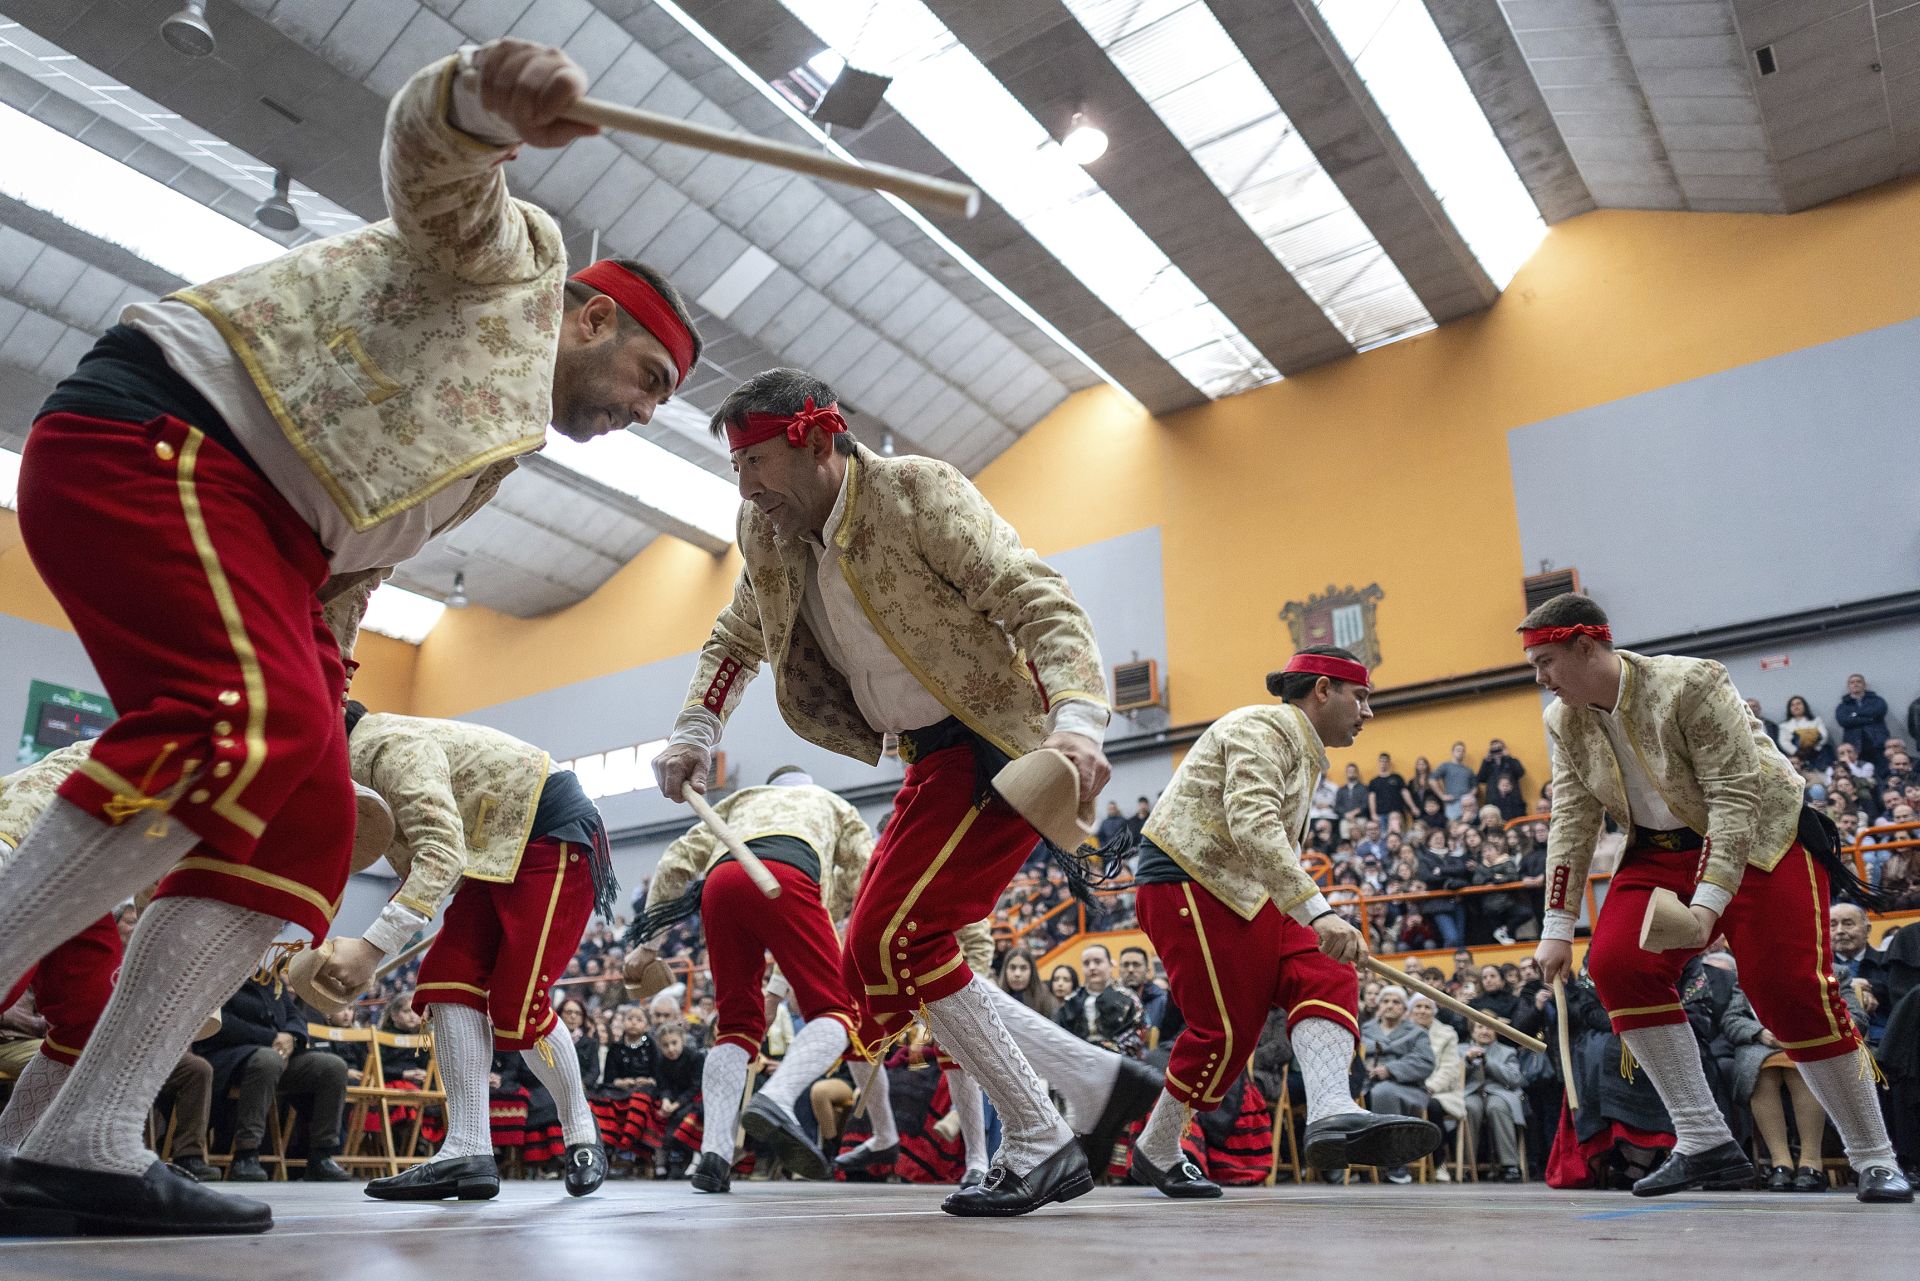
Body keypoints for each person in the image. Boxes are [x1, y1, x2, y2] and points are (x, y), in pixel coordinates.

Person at [0, 38, 702, 1238]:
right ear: (588, 315)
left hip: (254, 519)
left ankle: (86, 1132)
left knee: (311, 815)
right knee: (247, 727)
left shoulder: (484, 448)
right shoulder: (516, 267)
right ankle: (79, 1125)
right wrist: (485, 101)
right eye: (647, 377)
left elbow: (343, 568)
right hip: (168, 435)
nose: (643, 412)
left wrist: (323, 689)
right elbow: (433, 163)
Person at [649, 368, 1155, 1217]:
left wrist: (1079, 719)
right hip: (928, 754)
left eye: (758, 460)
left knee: (896, 935)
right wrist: (695, 729)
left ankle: (1042, 1135)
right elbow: (738, 634)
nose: (746, 486)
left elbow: (1036, 596)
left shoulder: (919, 492)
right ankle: (1092, 1083)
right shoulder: (763, 529)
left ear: (816, 439)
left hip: (1003, 740)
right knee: (881, 950)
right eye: (736, 465)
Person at [1522, 593, 1909, 1201]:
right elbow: (1572, 820)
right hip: (1658, 851)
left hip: (1760, 837)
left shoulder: (1692, 682)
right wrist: (1555, 926)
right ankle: (1705, 1142)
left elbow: (1735, 798)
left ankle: (1874, 1158)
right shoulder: (1561, 720)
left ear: (1586, 647)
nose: (1540, 680)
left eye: (1545, 662)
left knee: (1792, 994)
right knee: (1617, 965)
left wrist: (1708, 902)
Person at [1127, 647, 1439, 1198]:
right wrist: (1318, 910)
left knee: (1328, 966)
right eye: (1360, 697)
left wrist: (1313, 917)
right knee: (1226, 1033)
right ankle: (1156, 1149)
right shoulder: (1261, 725)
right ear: (1323, 689)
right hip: (1188, 881)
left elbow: (1261, 845)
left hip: (1247, 890)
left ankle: (1331, 1109)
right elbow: (1253, 823)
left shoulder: (1302, 749)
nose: (1367, 713)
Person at [344, 706, 617, 1203]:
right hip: (491, 853)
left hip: (551, 835)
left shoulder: (384, 748)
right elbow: (420, 865)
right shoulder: (370, 768)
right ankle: (468, 1147)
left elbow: (439, 855)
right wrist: (364, 941)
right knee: (446, 976)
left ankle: (581, 1130)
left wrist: (370, 948)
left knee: (517, 1007)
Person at [625, 767, 872, 1192]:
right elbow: (863, 877)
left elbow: (674, 861)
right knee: (837, 1011)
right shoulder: (833, 804)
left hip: (720, 885)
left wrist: (650, 941)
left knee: (736, 1026)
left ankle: (714, 1155)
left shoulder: (741, 800)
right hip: (791, 877)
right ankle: (776, 1100)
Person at [0, 743, 123, 1164]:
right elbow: (30, 796)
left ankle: (6, 1148)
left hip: (86, 877)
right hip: (26, 839)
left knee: (93, 1019)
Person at [193, 971, 351, 1182]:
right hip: (231, 1056)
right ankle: (246, 1154)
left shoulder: (268, 979)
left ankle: (321, 1155)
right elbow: (222, 1023)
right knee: (267, 1060)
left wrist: (292, 1037)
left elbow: (295, 1015)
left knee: (333, 1067)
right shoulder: (219, 973)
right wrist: (271, 1038)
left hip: (277, 1055)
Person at [1358, 986, 1436, 1184]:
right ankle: (1355, 1164)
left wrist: (1391, 1069)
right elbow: (1352, 1058)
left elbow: (1424, 1062)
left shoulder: (1417, 1033)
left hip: (1407, 1087)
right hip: (1366, 1084)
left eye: (1396, 1002)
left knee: (1384, 1093)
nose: (1390, 1006)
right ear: (1378, 1005)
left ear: (1404, 1009)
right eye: (1385, 1001)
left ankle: (1394, 1162)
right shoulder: (1365, 1030)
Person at [1460, 1021, 1526, 1180]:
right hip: (1470, 1092)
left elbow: (1515, 1079)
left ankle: (1510, 1165)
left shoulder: (1507, 1051)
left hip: (1500, 1092)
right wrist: (1467, 1061)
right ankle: (1466, 1166)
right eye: (1480, 1026)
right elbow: (1453, 1078)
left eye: (1489, 1027)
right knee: (1469, 1107)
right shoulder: (1460, 1049)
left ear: (1496, 1031)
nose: (1485, 1030)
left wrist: (1488, 1061)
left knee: (1497, 1107)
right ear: (1472, 1031)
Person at [1053, 944, 1144, 1055]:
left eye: (1098, 962)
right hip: (1078, 1060)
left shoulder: (1129, 999)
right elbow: (1060, 1035)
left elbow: (1136, 1034)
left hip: (1119, 1062)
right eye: (1086, 963)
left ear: (1110, 965)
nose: (1092, 967)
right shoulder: (1070, 1002)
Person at [1116, 946, 1175, 1040]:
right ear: (1119, 970)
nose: (1130, 969)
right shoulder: (1108, 1000)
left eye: (1136, 964)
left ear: (1147, 970)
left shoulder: (1164, 1001)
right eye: (1125, 965)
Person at [1837, 674, 1892, 770]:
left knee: (1884, 771)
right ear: (1848, 686)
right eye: (1852, 682)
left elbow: (1879, 712)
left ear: (1864, 685)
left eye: (1858, 681)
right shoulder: (1843, 706)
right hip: (1855, 746)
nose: (1855, 684)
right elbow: (1844, 721)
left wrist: (1854, 715)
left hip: (1878, 743)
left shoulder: (1877, 700)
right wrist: (1869, 719)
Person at [997, 949, 1057, 1018]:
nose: (1017, 974)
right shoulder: (994, 999)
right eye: (1012, 968)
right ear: (1005, 970)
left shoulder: (1046, 1001)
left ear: (1032, 972)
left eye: (1023, 968)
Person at [1777, 696, 1831, 766]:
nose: (1796, 707)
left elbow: (1824, 736)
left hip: (1818, 754)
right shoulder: (1784, 726)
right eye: (1792, 705)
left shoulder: (1816, 721)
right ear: (1789, 709)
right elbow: (1784, 742)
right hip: (1796, 757)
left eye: (1798, 704)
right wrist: (1796, 752)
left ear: (1805, 706)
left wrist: (1816, 749)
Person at [1435, 743, 1477, 820]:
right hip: (1452, 803)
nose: (1460, 752)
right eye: (1458, 750)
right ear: (1452, 752)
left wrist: (1469, 797)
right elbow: (1432, 780)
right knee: (1453, 827)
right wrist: (1441, 796)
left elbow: (1475, 787)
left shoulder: (1468, 770)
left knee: (1469, 826)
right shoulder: (1446, 766)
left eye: (1463, 751)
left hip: (1467, 804)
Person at [1367, 753, 1411, 825]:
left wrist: (1413, 807)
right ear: (1379, 763)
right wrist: (1373, 814)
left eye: (1385, 761)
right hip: (1381, 815)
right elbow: (1371, 798)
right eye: (1381, 761)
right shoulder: (1374, 781)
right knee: (1382, 836)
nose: (1383, 763)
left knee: (1397, 835)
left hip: (1397, 813)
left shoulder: (1397, 777)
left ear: (1389, 763)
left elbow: (1405, 793)